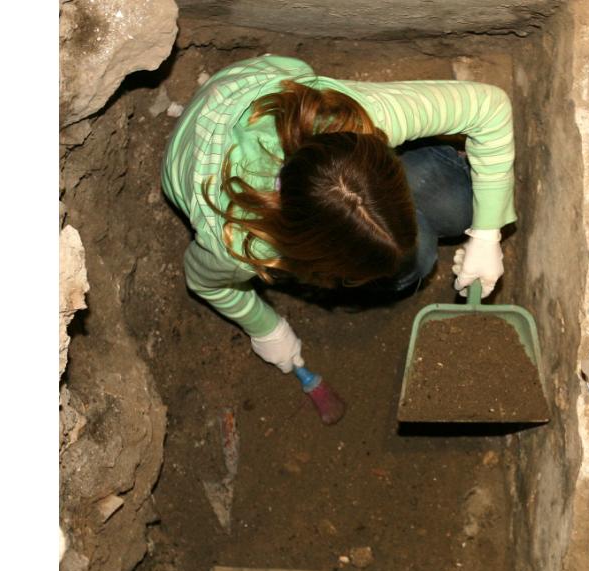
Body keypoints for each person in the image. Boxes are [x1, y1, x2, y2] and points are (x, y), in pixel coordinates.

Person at [161, 55, 515, 375]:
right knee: (414, 264)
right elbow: (204, 280)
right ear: (306, 252)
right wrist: (265, 326)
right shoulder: (240, 241)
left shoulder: (354, 115)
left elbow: (490, 107)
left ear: (379, 151)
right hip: (197, 150)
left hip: (254, 88)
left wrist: (486, 234)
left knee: (459, 207)